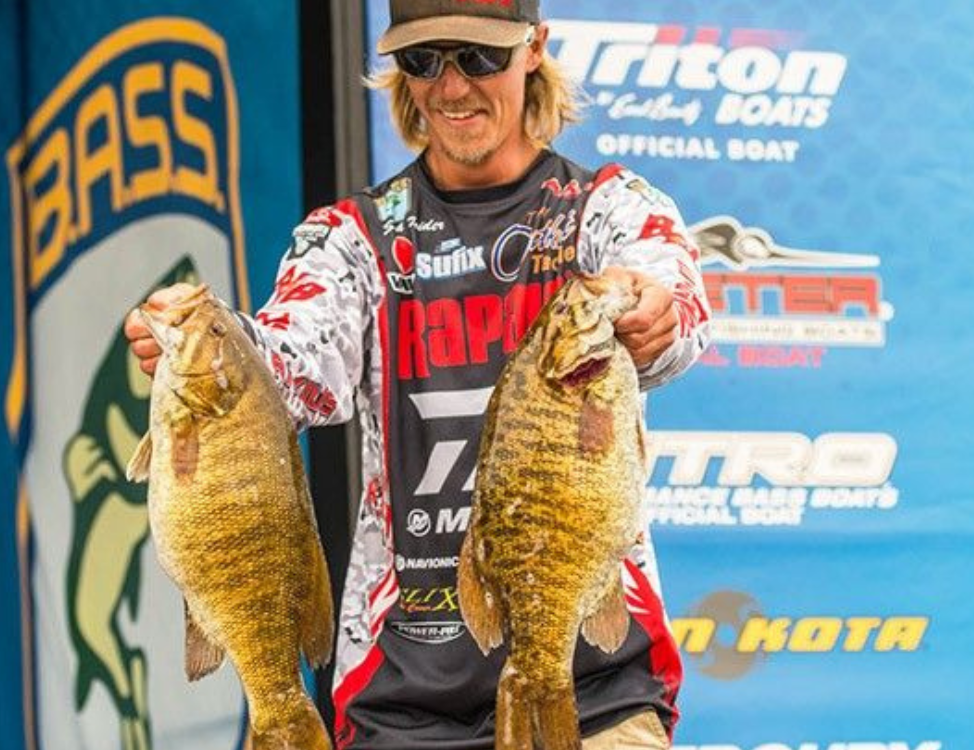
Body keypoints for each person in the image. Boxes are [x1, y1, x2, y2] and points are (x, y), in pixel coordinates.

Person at [125, 1, 712, 748]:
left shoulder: (606, 208)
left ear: (535, 48)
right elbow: (293, 362)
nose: (452, 86)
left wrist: (651, 309)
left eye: (479, 58)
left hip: (593, 677)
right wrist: (210, 347)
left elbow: (673, 298)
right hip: (402, 694)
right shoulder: (349, 237)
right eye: (424, 60)